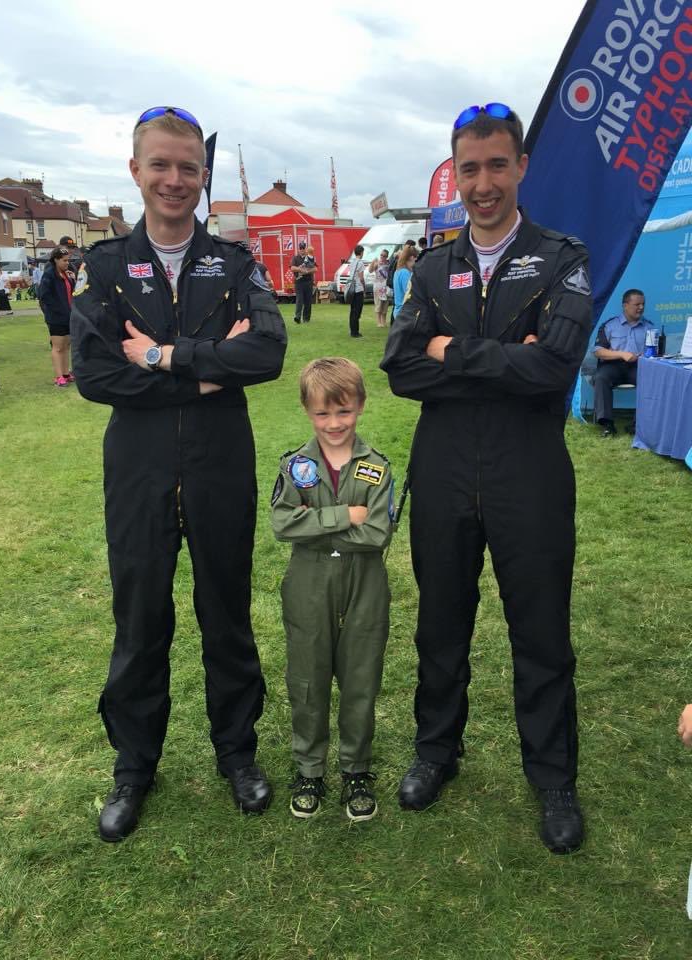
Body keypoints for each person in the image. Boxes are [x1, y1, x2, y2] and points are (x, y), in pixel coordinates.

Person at [70, 105, 287, 842]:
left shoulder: (234, 264)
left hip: (220, 463)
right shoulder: (103, 267)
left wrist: (167, 358)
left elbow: (265, 353)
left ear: (203, 175)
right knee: (140, 620)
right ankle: (134, 766)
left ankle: (237, 753)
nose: (173, 179)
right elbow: (98, 375)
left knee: (225, 612)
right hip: (138, 468)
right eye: (159, 164)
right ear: (136, 171)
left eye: (187, 167)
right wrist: (204, 373)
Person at [380, 102, 593, 854]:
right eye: (469, 168)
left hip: (528, 471)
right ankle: (436, 750)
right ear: (455, 174)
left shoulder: (563, 256)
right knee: (440, 621)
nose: (483, 183)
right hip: (442, 468)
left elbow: (553, 369)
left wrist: (450, 350)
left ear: (521, 167)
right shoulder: (432, 266)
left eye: (496, 165)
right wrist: (496, 359)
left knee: (541, 631)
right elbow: (400, 368)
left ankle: (552, 776)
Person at [271, 357, 393, 821]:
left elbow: (377, 533)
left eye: (343, 412)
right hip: (308, 580)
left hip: (365, 583)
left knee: (361, 676)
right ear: (307, 411)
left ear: (359, 405)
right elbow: (283, 523)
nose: (334, 423)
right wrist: (345, 516)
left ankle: (356, 769)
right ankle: (309, 769)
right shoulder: (297, 465)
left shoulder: (375, 468)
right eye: (323, 414)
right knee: (308, 676)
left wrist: (314, 524)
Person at [592, 289, 653, 437]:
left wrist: (643, 356)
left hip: (638, 365)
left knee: (650, 380)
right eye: (637, 304)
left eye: (643, 304)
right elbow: (598, 352)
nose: (641, 308)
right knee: (601, 378)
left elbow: (654, 353)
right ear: (625, 305)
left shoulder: (649, 327)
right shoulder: (610, 325)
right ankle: (607, 425)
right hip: (612, 366)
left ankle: (637, 425)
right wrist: (621, 354)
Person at [38, 246, 76, 387]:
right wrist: (58, 310)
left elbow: (72, 293)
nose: (67, 263)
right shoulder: (49, 274)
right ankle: (59, 376)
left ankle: (66, 373)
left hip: (68, 316)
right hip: (56, 317)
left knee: (66, 346)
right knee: (58, 347)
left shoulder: (66, 274)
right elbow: (44, 296)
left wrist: (73, 279)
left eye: (68, 260)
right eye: (64, 260)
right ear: (56, 260)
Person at [291, 241, 316, 323]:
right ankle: (297, 317)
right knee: (299, 300)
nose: (302, 250)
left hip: (308, 282)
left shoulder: (310, 257)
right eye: (300, 248)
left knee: (308, 301)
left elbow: (315, 269)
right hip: (298, 282)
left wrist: (307, 271)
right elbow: (292, 268)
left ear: (306, 249)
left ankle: (306, 319)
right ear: (299, 249)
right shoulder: (295, 258)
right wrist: (300, 269)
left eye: (303, 248)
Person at [392, 245, 416, 322]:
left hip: (399, 311)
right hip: (404, 313)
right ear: (412, 257)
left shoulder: (398, 271)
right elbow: (409, 293)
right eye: (416, 258)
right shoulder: (405, 272)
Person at [368, 249, 390, 327]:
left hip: (386, 287)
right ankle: (379, 322)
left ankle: (384, 322)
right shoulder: (377, 263)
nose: (382, 257)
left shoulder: (389, 263)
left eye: (384, 256)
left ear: (387, 256)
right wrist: (373, 262)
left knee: (385, 304)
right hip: (378, 286)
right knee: (378, 304)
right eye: (381, 255)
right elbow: (370, 271)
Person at [347, 244, 365, 338]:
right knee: (357, 311)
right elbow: (361, 278)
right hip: (358, 289)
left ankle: (352, 330)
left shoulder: (352, 262)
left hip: (351, 289)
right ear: (361, 252)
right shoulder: (360, 263)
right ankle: (355, 332)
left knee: (352, 310)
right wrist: (364, 286)